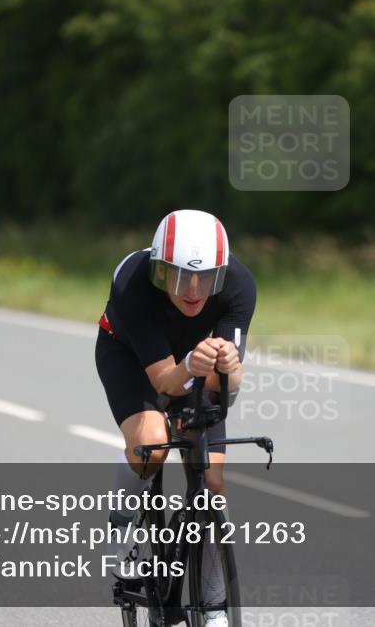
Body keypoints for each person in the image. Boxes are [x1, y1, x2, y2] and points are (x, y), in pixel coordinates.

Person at [95, 209, 256, 627]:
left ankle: (215, 607)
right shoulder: (132, 281)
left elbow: (225, 388)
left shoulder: (240, 285)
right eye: (182, 276)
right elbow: (165, 382)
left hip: (192, 364)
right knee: (150, 445)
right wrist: (189, 366)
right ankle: (121, 527)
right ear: (161, 270)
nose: (195, 290)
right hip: (132, 358)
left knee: (213, 482)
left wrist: (229, 368)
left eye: (207, 278)